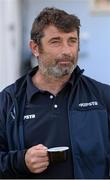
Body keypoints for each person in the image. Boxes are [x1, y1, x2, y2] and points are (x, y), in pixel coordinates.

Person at [0, 7, 110, 179]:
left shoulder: (103, 96)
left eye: (72, 41)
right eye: (56, 41)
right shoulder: (8, 101)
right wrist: (21, 161)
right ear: (35, 47)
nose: (67, 50)